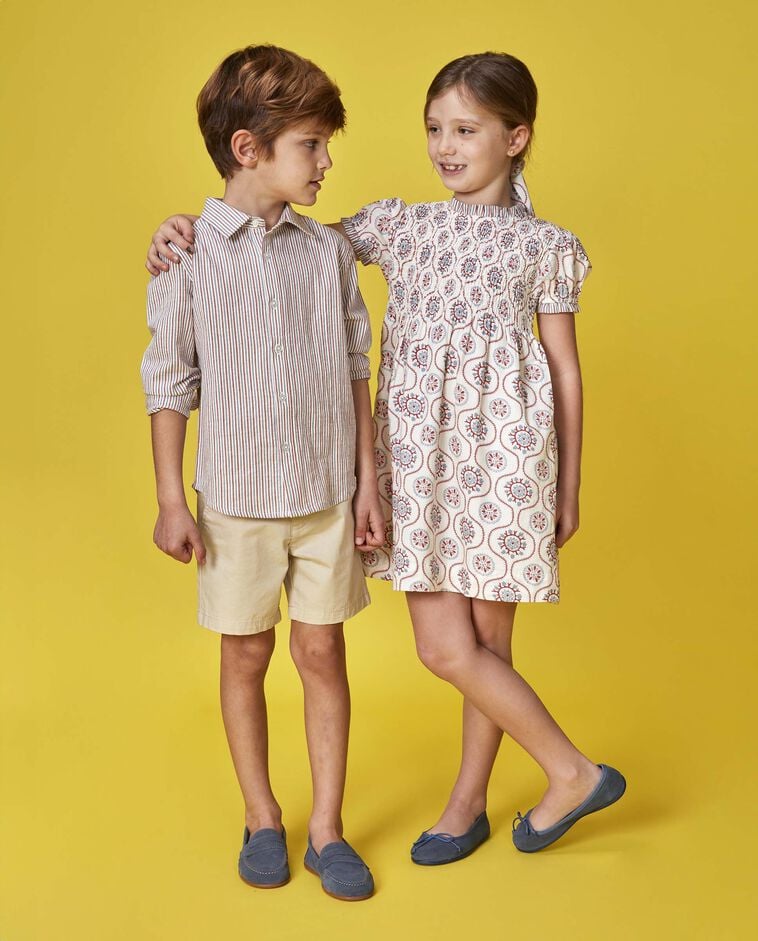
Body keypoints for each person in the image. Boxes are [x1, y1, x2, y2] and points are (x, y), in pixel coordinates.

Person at [145, 51, 626, 864]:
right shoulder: (402, 226)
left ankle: (467, 806)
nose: (445, 145)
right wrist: (183, 226)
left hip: (508, 461)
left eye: (466, 129)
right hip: (420, 463)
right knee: (446, 649)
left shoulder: (547, 246)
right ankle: (573, 771)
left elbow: (565, 370)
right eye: (435, 128)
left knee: (488, 648)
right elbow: (282, 238)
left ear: (516, 138)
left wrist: (568, 485)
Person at [140, 44, 383, 900]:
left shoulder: (326, 253)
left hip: (325, 496)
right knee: (246, 653)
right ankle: (261, 815)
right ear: (249, 148)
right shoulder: (187, 255)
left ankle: (328, 828)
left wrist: (368, 481)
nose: (325, 163)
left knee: (323, 648)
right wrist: (171, 498)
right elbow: (169, 381)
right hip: (236, 503)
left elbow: (355, 367)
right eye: (311, 145)